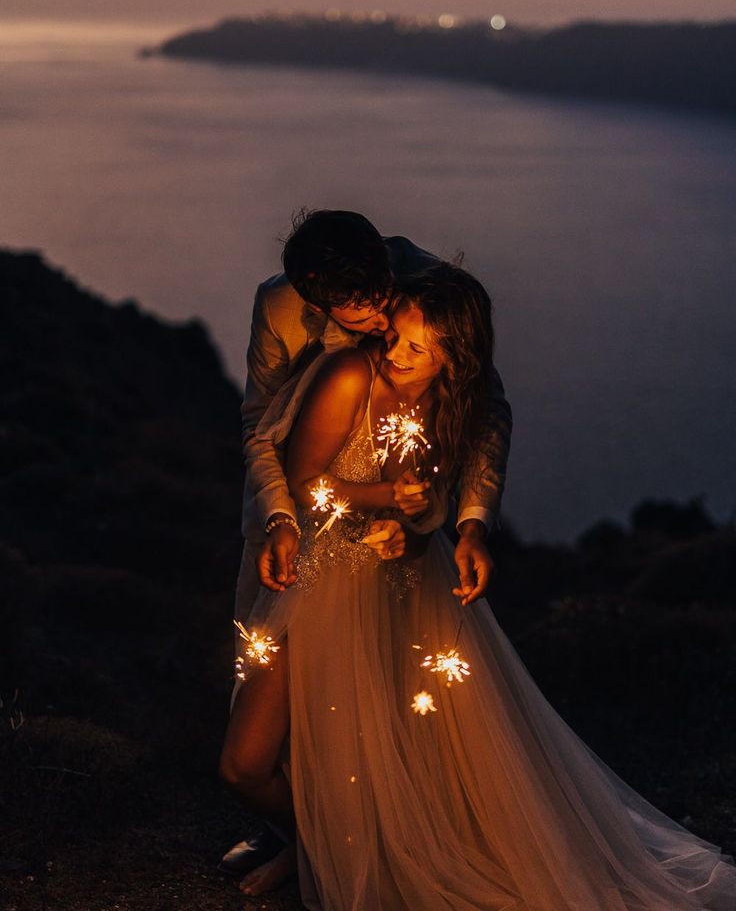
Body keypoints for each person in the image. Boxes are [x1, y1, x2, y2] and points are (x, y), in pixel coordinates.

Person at [220, 261, 736, 908]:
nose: (394, 350)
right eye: (396, 336)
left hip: (409, 594)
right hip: (321, 582)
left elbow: (464, 462)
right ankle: (312, 837)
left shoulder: (457, 400)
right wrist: (382, 497)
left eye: (416, 346)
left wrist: (457, 528)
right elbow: (302, 477)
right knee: (243, 763)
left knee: (407, 755)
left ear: (453, 358)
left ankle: (340, 847)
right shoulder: (351, 369)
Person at [220, 209, 512, 878]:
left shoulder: (430, 294)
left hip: (398, 549)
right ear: (317, 294)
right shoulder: (282, 309)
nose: (380, 319)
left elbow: (483, 410)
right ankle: (292, 830)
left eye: (382, 294)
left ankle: (349, 841)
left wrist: (466, 521)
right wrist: (280, 520)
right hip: (297, 522)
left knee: (383, 705)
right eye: (357, 308)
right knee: (265, 684)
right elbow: (260, 427)